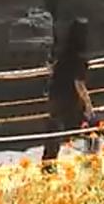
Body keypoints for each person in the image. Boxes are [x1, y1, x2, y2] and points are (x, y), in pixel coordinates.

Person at [40, 17, 94, 171]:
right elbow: (79, 83)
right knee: (91, 127)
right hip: (70, 100)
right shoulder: (80, 58)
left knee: (53, 133)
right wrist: (89, 105)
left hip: (55, 95)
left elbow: (53, 71)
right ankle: (90, 163)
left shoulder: (62, 54)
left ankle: (48, 166)